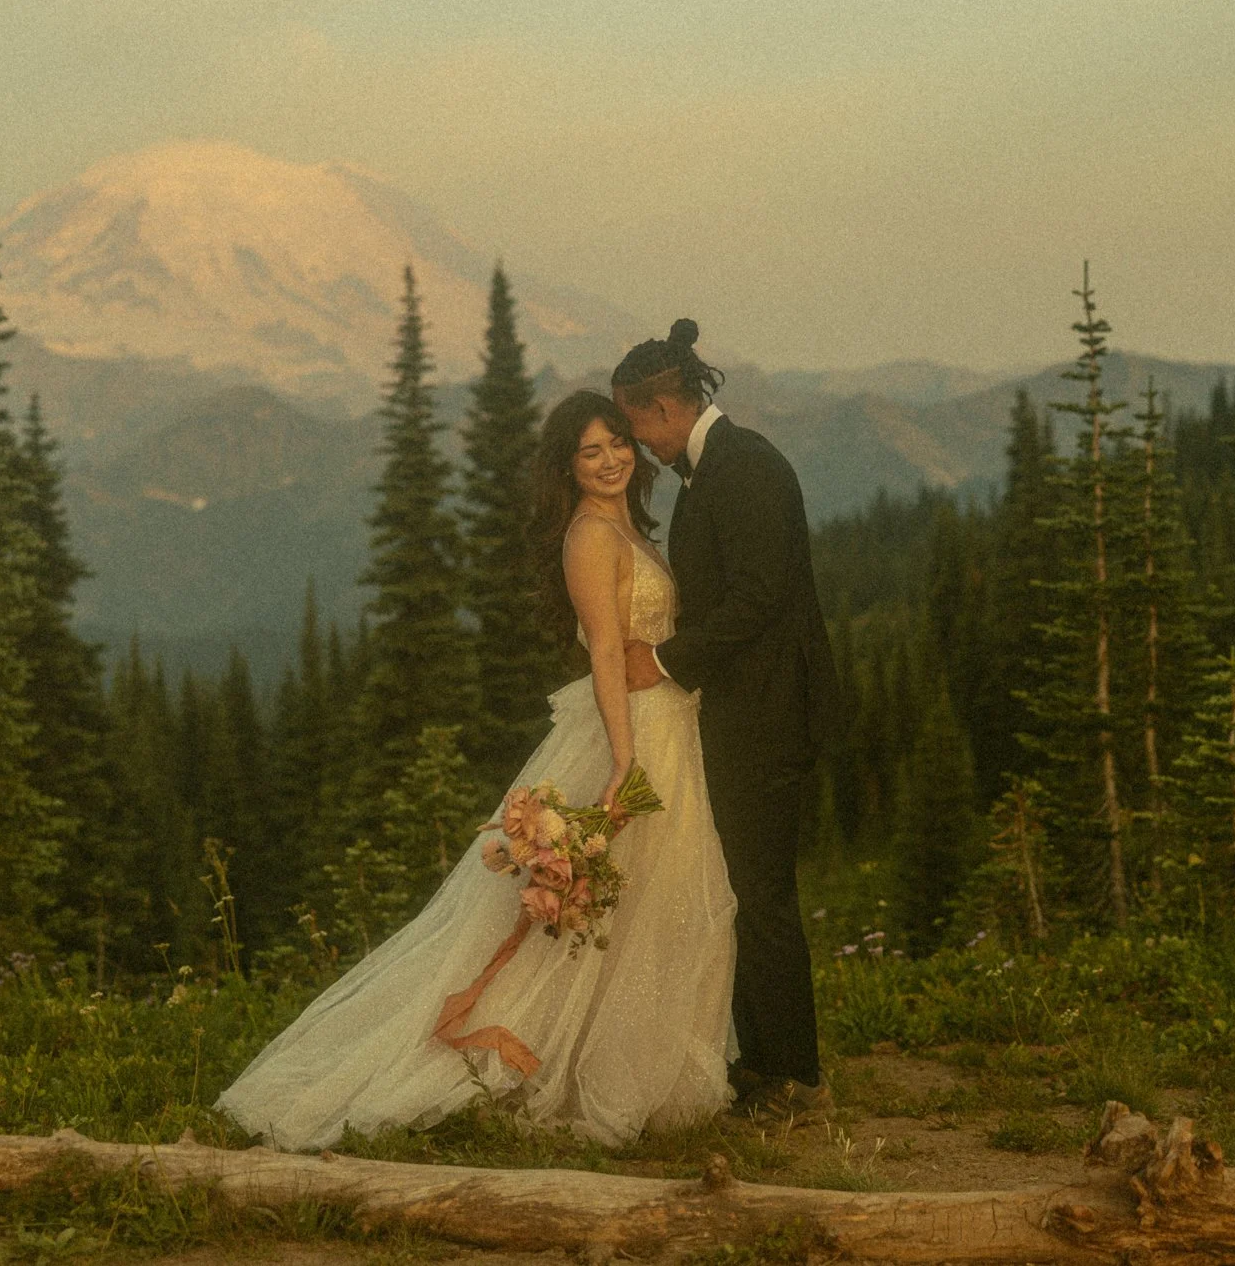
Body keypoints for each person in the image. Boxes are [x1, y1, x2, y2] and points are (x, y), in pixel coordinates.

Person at [214, 391, 737, 1150]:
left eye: (618, 442)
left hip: (669, 724)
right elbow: (600, 649)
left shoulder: (627, 523)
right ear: (567, 466)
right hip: (636, 732)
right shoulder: (589, 535)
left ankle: (639, 1072)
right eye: (590, 451)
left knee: (657, 903)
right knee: (621, 903)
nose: (611, 459)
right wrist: (624, 758)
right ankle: (578, 1070)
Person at [613, 319, 842, 1114]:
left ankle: (797, 1076)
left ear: (664, 408)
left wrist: (667, 660)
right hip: (745, 711)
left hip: (771, 713)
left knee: (764, 892)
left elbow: (759, 597)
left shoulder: (744, 471)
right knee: (743, 884)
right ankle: (767, 1057)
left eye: (635, 426)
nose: (635, 446)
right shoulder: (717, 471)